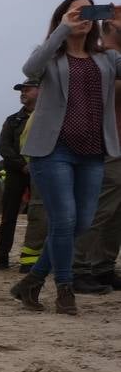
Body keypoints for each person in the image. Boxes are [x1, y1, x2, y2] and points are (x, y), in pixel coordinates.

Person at [11, 0, 121, 315]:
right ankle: (64, 288)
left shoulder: (106, 59)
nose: (84, 16)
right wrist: (61, 30)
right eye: (77, 10)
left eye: (90, 10)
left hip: (93, 151)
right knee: (64, 220)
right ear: (63, 16)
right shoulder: (50, 56)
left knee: (81, 222)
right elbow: (30, 69)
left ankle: (32, 281)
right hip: (53, 149)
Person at [71, 19, 121, 293]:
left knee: (116, 214)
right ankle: (78, 268)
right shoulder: (99, 59)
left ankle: (102, 266)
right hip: (105, 145)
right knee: (98, 211)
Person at [0, 79, 41, 269]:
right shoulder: (13, 120)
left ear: (40, 90)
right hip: (16, 172)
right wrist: (23, 166)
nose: (23, 93)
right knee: (8, 216)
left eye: (27, 89)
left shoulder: (49, 116)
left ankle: (34, 258)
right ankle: (1, 257)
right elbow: (5, 148)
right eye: (22, 90)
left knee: (39, 215)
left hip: (43, 171)